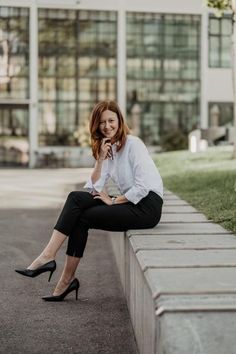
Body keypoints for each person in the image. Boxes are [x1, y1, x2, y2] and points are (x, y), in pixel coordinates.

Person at [15, 100, 163, 302]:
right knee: (77, 203)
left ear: (119, 121)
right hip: (130, 203)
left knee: (79, 208)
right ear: (96, 125)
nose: (107, 126)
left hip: (147, 207)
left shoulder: (133, 144)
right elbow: (93, 187)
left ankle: (51, 261)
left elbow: (143, 187)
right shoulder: (109, 149)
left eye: (111, 120)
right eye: (102, 122)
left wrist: (113, 201)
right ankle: (62, 276)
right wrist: (101, 159)